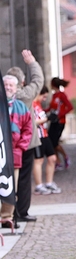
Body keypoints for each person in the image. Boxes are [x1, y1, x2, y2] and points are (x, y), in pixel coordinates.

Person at [7, 49, 44, 223]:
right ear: (22, 81)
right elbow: (38, 80)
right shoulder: (26, 95)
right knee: (23, 179)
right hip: (27, 143)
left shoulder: (3, 96)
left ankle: (7, 212)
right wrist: (32, 62)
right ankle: (22, 212)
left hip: (7, 144)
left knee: (7, 178)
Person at [2, 75, 32, 228]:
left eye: (10, 85)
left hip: (14, 153)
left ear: (16, 88)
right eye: (5, 84)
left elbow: (28, 129)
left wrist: (21, 147)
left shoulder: (21, 107)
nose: (7, 87)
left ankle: (7, 217)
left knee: (10, 186)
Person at [32, 86, 62, 195]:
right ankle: (39, 185)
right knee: (38, 160)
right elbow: (32, 122)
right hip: (37, 136)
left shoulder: (39, 105)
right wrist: (47, 118)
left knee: (52, 158)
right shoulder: (31, 105)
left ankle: (49, 182)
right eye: (43, 96)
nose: (44, 99)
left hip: (44, 134)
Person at [45, 77, 73, 171]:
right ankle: (58, 162)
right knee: (51, 142)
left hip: (60, 122)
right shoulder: (54, 95)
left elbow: (69, 107)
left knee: (55, 142)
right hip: (53, 121)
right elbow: (51, 107)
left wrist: (61, 114)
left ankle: (65, 156)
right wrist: (44, 111)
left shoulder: (62, 95)